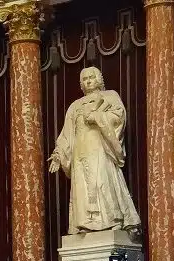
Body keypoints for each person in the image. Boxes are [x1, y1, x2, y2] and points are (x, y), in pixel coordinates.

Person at [48, 66, 140, 235]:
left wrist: (97, 117)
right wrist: (59, 154)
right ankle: (84, 223)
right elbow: (67, 133)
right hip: (80, 150)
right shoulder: (75, 106)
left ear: (99, 79)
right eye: (84, 79)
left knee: (102, 180)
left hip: (100, 147)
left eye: (91, 77)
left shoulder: (110, 96)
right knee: (82, 186)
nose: (88, 81)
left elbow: (119, 117)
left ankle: (112, 219)